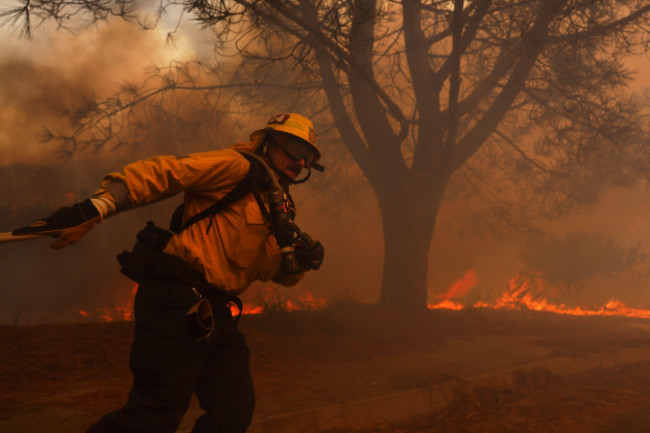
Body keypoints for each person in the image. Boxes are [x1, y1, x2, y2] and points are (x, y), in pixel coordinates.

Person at [12, 112, 325, 433]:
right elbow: (166, 171)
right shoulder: (238, 166)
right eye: (293, 149)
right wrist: (94, 208)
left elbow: (268, 268)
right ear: (269, 143)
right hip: (176, 301)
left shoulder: (276, 203)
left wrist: (303, 259)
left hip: (216, 312)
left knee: (234, 409)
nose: (300, 162)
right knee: (154, 415)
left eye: (308, 157)